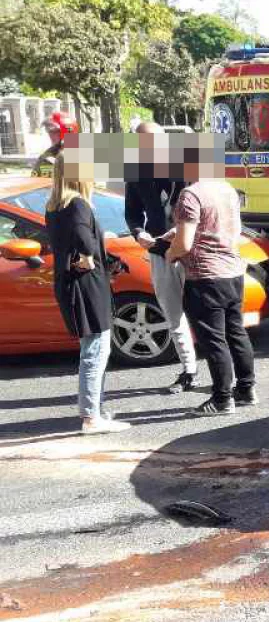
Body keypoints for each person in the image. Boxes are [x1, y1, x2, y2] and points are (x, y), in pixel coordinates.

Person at [47, 155, 131, 434]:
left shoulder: (54, 205)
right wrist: (91, 257)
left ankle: (94, 410)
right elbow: (83, 238)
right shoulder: (79, 204)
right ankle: (91, 417)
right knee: (96, 348)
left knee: (91, 347)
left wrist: (103, 258)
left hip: (69, 283)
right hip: (86, 285)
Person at [167, 164, 256, 417]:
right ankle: (246, 389)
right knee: (236, 332)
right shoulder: (226, 189)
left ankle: (221, 399)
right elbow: (221, 228)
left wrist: (169, 253)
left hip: (205, 276)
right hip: (233, 272)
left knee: (214, 340)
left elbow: (183, 244)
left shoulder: (191, 194)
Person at [125, 122, 197, 394]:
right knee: (173, 315)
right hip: (159, 252)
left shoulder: (186, 166)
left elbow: (205, 206)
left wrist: (182, 230)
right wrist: (138, 232)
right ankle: (189, 370)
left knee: (205, 313)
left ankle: (222, 372)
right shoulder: (135, 172)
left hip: (191, 250)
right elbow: (131, 212)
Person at [32, 112, 79, 178]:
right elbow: (35, 178)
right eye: (48, 131)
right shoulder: (46, 156)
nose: (50, 135)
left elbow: (88, 185)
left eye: (53, 131)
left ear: (68, 131)